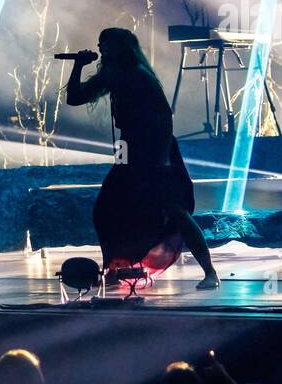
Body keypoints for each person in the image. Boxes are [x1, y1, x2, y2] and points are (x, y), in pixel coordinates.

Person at [66, 28, 219, 289]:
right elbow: (74, 97)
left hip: (154, 149)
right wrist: (78, 66)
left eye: (106, 44)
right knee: (107, 209)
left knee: (173, 211)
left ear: (121, 47)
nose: (100, 48)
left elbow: (164, 118)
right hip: (129, 147)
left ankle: (210, 272)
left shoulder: (139, 75)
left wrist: (161, 162)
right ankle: (114, 268)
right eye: (99, 43)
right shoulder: (112, 75)